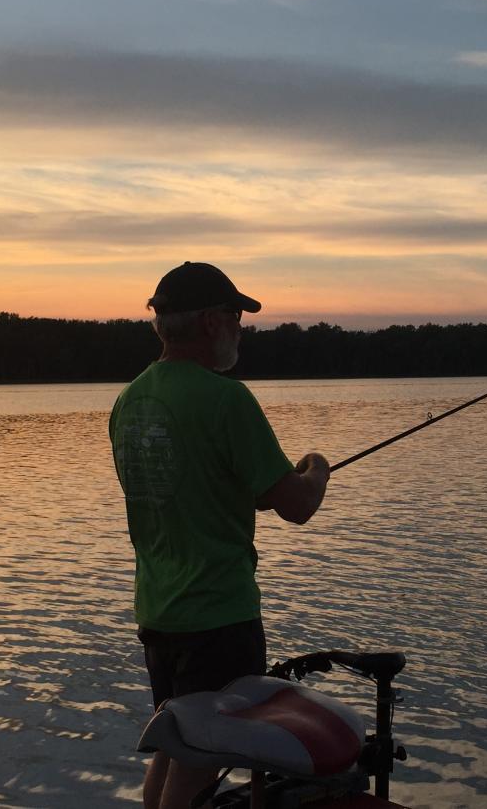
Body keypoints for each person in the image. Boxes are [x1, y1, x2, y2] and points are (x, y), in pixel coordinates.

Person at [109, 261, 331, 809]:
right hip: (218, 614)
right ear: (211, 321)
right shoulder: (226, 399)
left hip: (158, 612)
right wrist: (318, 465)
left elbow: (192, 485)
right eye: (236, 316)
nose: (240, 328)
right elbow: (298, 505)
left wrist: (251, 490)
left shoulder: (130, 401)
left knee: (177, 742)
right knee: (203, 758)